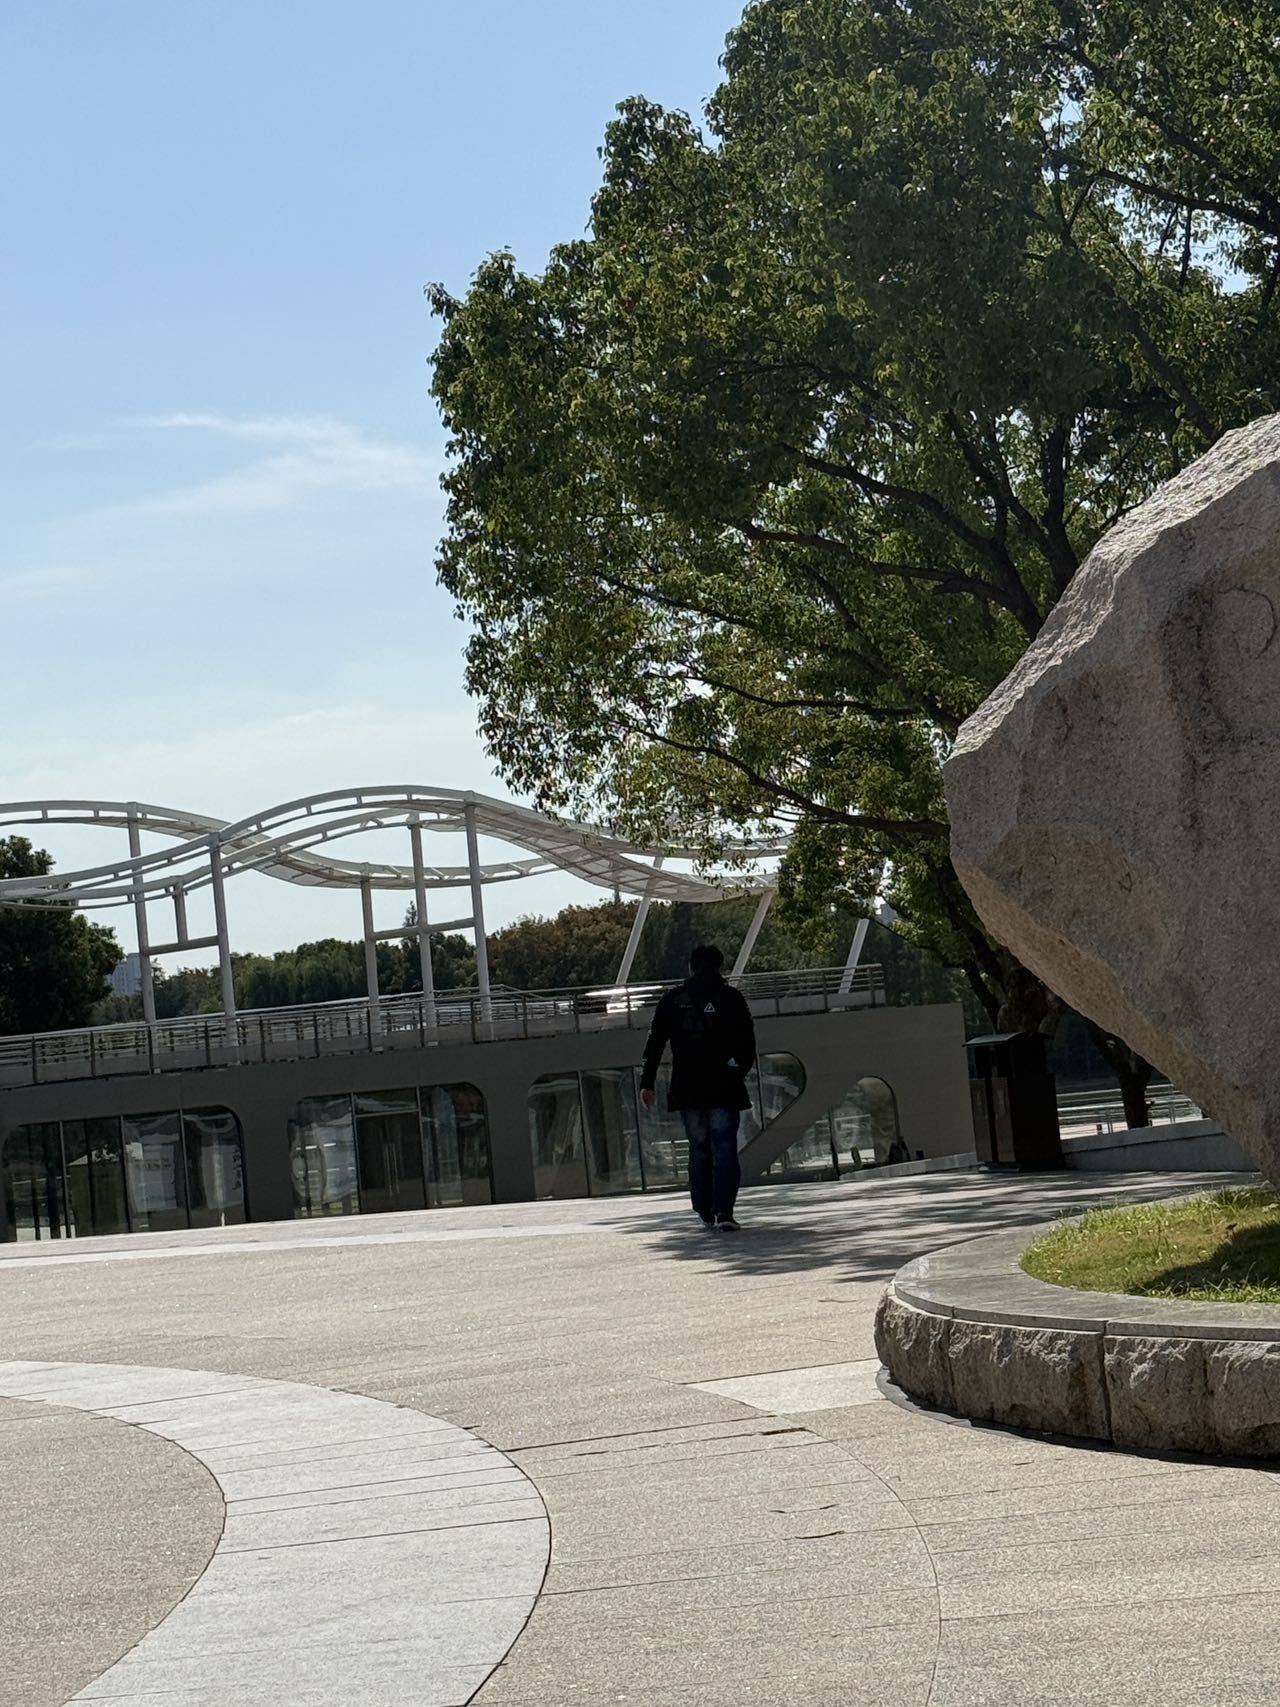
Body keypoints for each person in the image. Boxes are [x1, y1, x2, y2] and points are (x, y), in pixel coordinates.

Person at [639, 943, 756, 1231]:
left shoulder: (673, 999)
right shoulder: (732, 998)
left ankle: (703, 1208)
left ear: (691, 967)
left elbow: (655, 1042)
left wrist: (647, 1081)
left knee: (699, 1148)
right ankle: (724, 1212)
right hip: (724, 1086)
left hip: (688, 1086)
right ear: (720, 967)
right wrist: (737, 1071)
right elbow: (747, 1043)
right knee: (725, 1147)